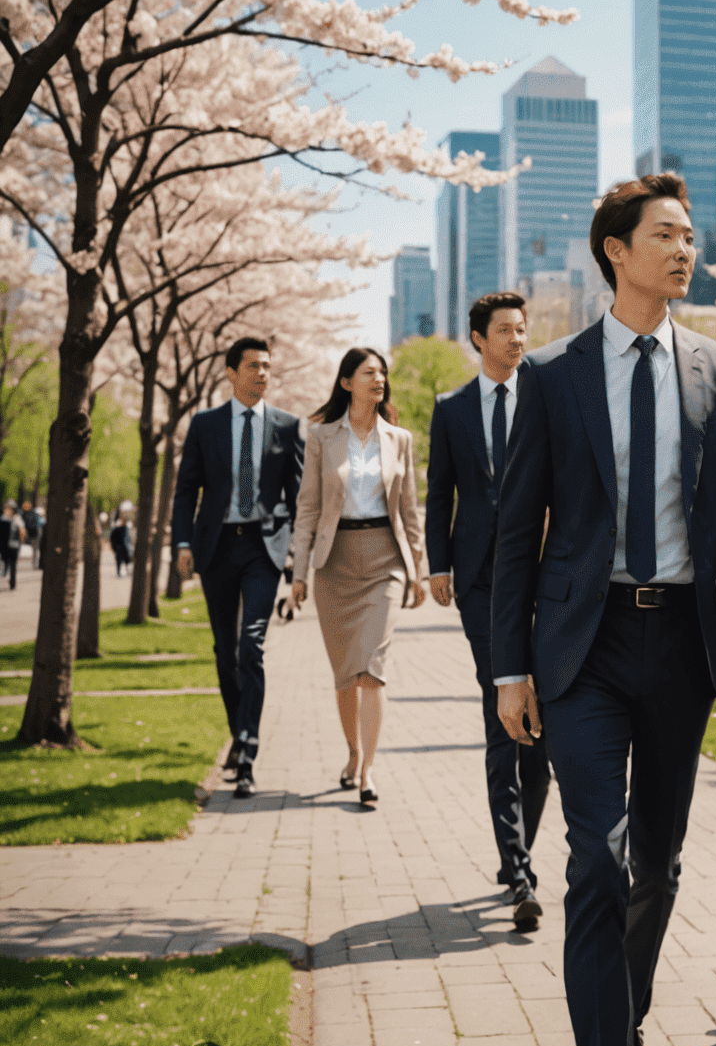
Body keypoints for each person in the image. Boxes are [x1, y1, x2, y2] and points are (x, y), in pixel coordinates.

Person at [491, 173, 716, 1046]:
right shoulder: (554, 375)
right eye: (665, 233)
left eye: (690, 234)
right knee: (598, 862)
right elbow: (512, 530)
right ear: (614, 250)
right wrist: (509, 667)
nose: (686, 248)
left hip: (687, 649)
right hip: (585, 649)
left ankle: (624, 1027)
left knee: (657, 865)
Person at [426, 290, 551, 929]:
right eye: (504, 330)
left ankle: (518, 845)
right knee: (499, 704)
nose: (516, 340)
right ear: (478, 338)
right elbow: (438, 491)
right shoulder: (449, 410)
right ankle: (520, 869)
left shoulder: (546, 396)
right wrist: (438, 563)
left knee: (542, 725)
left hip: (543, 577)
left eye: (521, 330)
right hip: (479, 580)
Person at [289, 348, 427, 807]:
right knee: (346, 673)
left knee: (372, 668)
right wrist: (300, 571)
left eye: (383, 372)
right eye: (369, 372)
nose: (379, 378)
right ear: (347, 382)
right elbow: (308, 505)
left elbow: (408, 510)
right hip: (334, 562)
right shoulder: (320, 437)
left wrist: (418, 572)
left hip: (384, 560)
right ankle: (352, 751)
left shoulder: (400, 440)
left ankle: (368, 770)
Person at [172, 338, 305, 796]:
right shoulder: (205, 425)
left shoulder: (288, 427)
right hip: (217, 548)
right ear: (232, 372)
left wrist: (296, 560)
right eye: (253, 366)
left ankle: (247, 750)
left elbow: (299, 498)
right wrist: (183, 542)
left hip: (263, 551)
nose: (262, 373)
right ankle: (239, 732)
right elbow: (186, 488)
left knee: (252, 648)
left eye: (267, 365)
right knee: (225, 654)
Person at [109, 507, 135, 577]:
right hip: (122, 547)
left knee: (122, 561)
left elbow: (112, 538)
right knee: (124, 560)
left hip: (121, 547)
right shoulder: (123, 529)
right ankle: (123, 572)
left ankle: (121, 572)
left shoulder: (121, 528)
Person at [0, 501, 19, 589]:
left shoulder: (16, 518)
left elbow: (22, 531)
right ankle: (9, 580)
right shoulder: (3, 518)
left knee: (12, 564)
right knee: (8, 563)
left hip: (13, 545)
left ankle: (12, 582)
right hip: (6, 545)